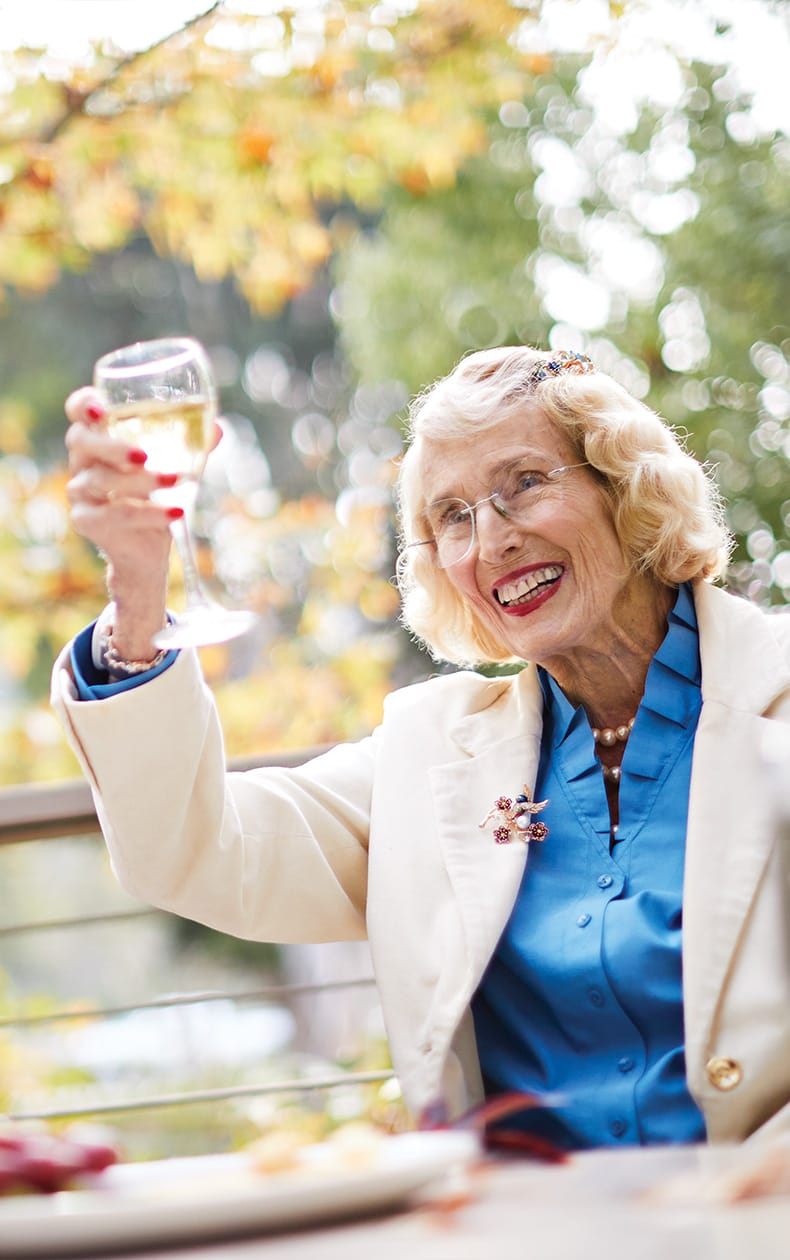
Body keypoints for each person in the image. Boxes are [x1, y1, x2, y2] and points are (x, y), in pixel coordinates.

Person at [52, 344, 790, 1153]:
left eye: (525, 484)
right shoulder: (429, 755)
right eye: (453, 517)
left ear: (627, 487)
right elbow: (192, 850)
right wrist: (138, 589)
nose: (491, 541)